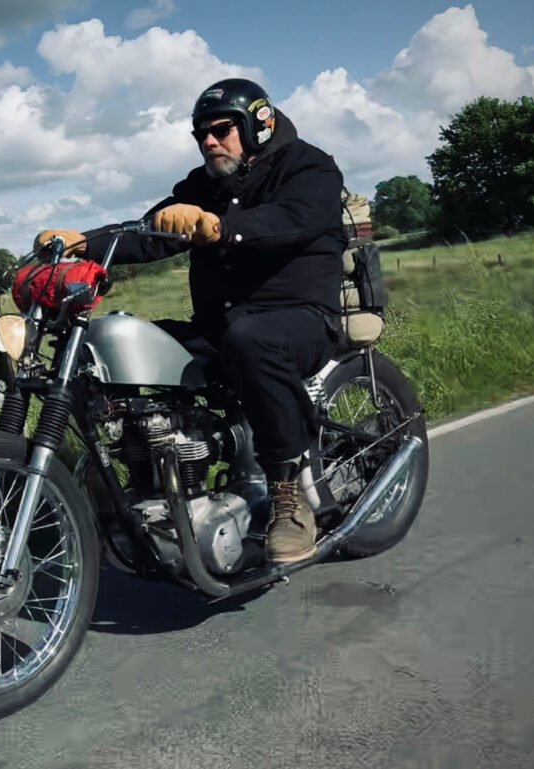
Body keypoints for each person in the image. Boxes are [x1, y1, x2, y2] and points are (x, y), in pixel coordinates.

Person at [34, 78, 346, 565]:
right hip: (220, 326)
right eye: (201, 133)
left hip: (300, 318)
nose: (209, 141)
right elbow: (149, 233)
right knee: (119, 345)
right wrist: (82, 244)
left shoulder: (309, 166)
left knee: (250, 340)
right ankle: (145, 479)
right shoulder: (203, 183)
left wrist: (220, 227)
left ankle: (288, 493)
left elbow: (292, 219)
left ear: (258, 125)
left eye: (221, 129)